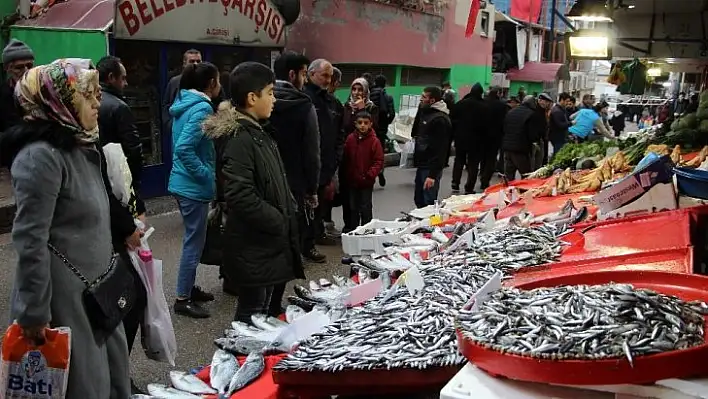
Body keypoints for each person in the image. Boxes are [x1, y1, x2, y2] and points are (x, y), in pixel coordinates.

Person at [1, 59, 130, 398]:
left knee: (110, 382)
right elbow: (30, 239)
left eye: (97, 94)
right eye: (88, 96)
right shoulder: (40, 157)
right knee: (83, 387)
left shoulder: (81, 147)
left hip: (97, 294)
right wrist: (33, 312)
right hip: (64, 302)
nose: (98, 103)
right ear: (57, 102)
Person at [207, 61, 304, 323]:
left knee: (264, 312)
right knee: (251, 316)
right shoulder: (240, 138)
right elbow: (240, 195)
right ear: (252, 98)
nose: (274, 99)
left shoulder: (258, 132)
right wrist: (278, 220)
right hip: (255, 246)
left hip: (266, 245)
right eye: (270, 92)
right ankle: (237, 362)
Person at [96, 55, 148, 393]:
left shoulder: (85, 139)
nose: (95, 104)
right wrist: (129, 219)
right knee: (125, 297)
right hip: (100, 238)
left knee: (127, 297)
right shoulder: (58, 151)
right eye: (88, 97)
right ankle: (112, 377)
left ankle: (113, 374)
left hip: (108, 225)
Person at [169, 62, 221, 318]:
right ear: (211, 83)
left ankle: (187, 287)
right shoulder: (202, 108)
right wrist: (206, 175)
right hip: (192, 186)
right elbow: (184, 148)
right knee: (193, 243)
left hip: (182, 183)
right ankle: (182, 298)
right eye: (218, 81)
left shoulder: (185, 102)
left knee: (194, 240)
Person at [270, 51, 324, 264]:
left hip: (264, 178)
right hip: (294, 181)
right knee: (289, 229)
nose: (305, 79)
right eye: (303, 73)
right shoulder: (303, 105)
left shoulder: (258, 100)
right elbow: (312, 152)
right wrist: (312, 189)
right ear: (292, 75)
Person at [96, 56, 145, 213]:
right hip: (119, 179)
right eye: (123, 78)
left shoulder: (90, 102)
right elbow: (133, 150)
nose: (126, 83)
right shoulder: (119, 107)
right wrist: (134, 185)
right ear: (111, 78)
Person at [303, 59, 341, 245]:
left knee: (321, 204)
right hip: (309, 162)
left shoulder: (332, 102)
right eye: (324, 75)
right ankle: (307, 241)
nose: (328, 80)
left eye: (330, 76)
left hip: (326, 163)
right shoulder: (304, 99)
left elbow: (338, 132)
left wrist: (335, 158)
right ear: (311, 75)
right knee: (307, 204)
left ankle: (317, 234)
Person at [412, 87, 452, 208]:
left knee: (428, 203)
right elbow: (415, 132)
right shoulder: (425, 112)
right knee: (419, 200)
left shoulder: (440, 120)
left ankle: (432, 225)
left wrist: (432, 175)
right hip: (422, 164)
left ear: (432, 100)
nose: (421, 99)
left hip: (430, 167)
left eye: (424, 97)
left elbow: (441, 149)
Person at [342, 111, 384, 228]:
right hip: (352, 181)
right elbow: (345, 157)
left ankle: (367, 230)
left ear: (371, 124)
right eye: (360, 123)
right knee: (353, 207)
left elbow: (378, 161)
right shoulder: (350, 139)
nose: (362, 126)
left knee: (365, 207)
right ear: (355, 124)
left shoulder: (374, 141)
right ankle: (354, 230)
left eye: (366, 123)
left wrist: (369, 175)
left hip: (366, 182)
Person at [450, 83, 488, 194]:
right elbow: (486, 125)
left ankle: (455, 183)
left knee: (459, 160)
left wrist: (454, 134)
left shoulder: (460, 104)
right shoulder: (484, 106)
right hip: (477, 140)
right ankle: (469, 187)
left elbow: (452, 120)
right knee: (473, 164)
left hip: (460, 138)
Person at [501, 96, 545, 180]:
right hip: (521, 149)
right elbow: (532, 135)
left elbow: (504, 128)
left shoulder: (511, 111)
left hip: (507, 148)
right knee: (526, 175)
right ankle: (523, 192)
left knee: (509, 175)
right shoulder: (531, 114)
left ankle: (508, 191)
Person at [162, 49, 202, 136]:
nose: (196, 64)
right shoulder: (174, 82)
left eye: (198, 61)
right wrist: (170, 124)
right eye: (192, 61)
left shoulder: (207, 82)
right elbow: (166, 105)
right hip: (178, 131)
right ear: (184, 63)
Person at [0, 39, 34, 133]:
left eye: (29, 65)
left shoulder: (41, 90)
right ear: (7, 68)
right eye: (19, 67)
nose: (26, 70)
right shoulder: (4, 95)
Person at [369, 74, 395, 186]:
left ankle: (370, 173)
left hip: (370, 127)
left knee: (369, 151)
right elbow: (392, 113)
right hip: (382, 129)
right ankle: (380, 170)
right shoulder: (388, 97)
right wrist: (386, 123)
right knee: (379, 152)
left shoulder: (369, 95)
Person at [482, 87, 508, 189]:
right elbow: (504, 121)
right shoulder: (501, 105)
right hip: (496, 135)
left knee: (483, 156)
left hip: (483, 134)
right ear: (498, 93)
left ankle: (482, 173)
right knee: (491, 158)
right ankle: (485, 179)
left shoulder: (483, 103)